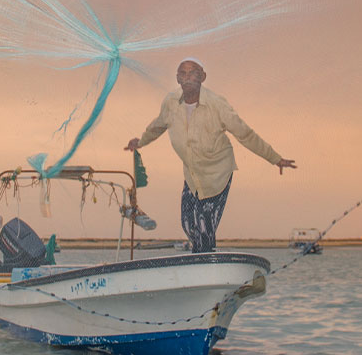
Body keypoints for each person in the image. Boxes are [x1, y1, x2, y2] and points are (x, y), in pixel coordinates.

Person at [124, 58, 295, 253]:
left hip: (217, 174)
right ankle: (203, 259)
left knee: (204, 226)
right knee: (188, 224)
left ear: (203, 77)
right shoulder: (171, 102)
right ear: (178, 79)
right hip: (192, 174)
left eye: (193, 73)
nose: (188, 78)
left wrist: (274, 158)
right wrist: (141, 141)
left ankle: (206, 263)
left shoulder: (217, 104)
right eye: (183, 74)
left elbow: (245, 134)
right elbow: (158, 125)